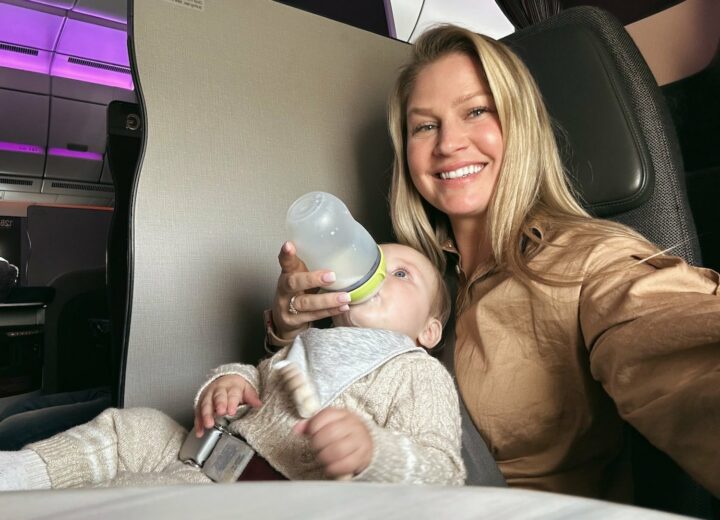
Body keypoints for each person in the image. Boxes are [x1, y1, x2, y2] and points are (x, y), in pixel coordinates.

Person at [267, 25, 720, 503]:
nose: (448, 144)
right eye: (425, 125)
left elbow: (684, 351)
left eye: (476, 111)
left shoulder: (590, 263)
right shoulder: (406, 273)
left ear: (519, 124)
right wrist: (287, 328)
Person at [0, 243, 466, 490]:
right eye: (371, 265)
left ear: (429, 330)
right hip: (207, 456)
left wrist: (372, 452)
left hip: (271, 496)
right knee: (135, 427)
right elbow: (260, 375)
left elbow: (444, 470)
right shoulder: (311, 341)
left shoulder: (415, 372)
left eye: (401, 274)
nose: (378, 275)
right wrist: (230, 380)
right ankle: (25, 475)